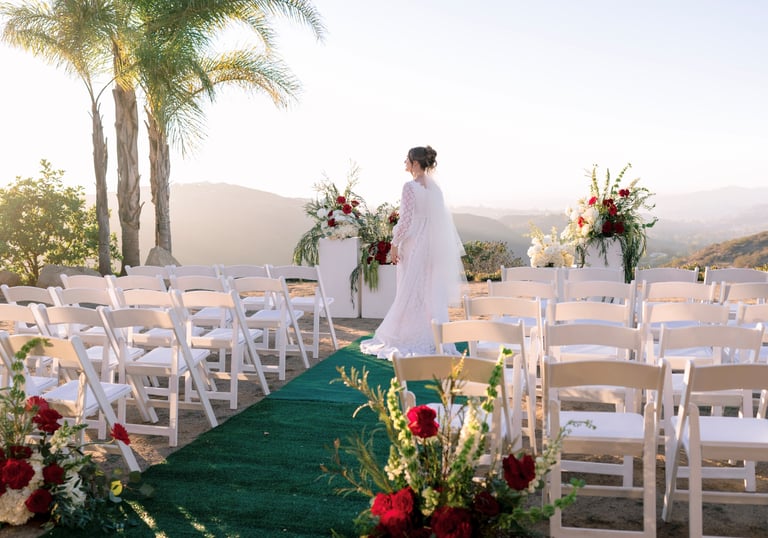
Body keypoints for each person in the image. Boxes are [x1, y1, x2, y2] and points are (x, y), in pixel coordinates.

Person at [360, 145, 466, 359]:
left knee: (409, 288)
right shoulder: (435, 189)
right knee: (427, 289)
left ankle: (407, 335)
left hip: (414, 242)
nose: (405, 163)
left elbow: (406, 219)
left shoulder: (410, 187)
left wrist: (395, 242)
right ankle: (432, 335)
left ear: (415, 163)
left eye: (407, 160)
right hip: (431, 244)